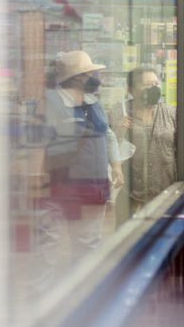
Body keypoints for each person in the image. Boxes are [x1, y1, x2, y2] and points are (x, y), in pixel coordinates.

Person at [43, 51, 124, 257]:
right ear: (79, 77)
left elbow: (108, 134)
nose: (98, 77)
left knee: (89, 243)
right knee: (49, 245)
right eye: (92, 73)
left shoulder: (93, 103)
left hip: (94, 187)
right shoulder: (52, 104)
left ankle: (84, 284)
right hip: (63, 187)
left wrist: (116, 165)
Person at [109, 66, 176, 214]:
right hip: (130, 195)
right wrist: (119, 129)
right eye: (147, 84)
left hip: (166, 192)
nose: (153, 88)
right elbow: (109, 147)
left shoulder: (170, 112)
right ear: (131, 90)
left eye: (156, 84)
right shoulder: (119, 111)